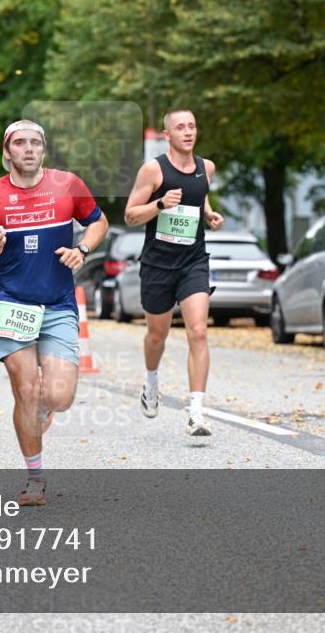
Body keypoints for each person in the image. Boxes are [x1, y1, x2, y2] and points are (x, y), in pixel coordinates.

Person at [0, 120, 108, 506]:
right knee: (25, 387)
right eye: (20, 143)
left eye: (36, 143)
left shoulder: (68, 185)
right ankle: (35, 478)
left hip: (58, 303)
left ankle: (45, 402)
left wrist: (84, 250)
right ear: (7, 153)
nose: (29, 148)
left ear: (43, 150)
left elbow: (98, 222)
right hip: (12, 302)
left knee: (58, 397)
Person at [124, 109, 225, 436]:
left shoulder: (206, 168)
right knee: (157, 335)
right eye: (180, 127)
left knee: (198, 331)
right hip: (157, 264)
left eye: (192, 126)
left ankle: (196, 412)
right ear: (167, 135)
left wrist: (209, 215)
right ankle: (151, 382)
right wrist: (159, 205)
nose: (188, 132)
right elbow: (129, 216)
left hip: (193, 261)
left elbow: (200, 198)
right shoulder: (153, 170)